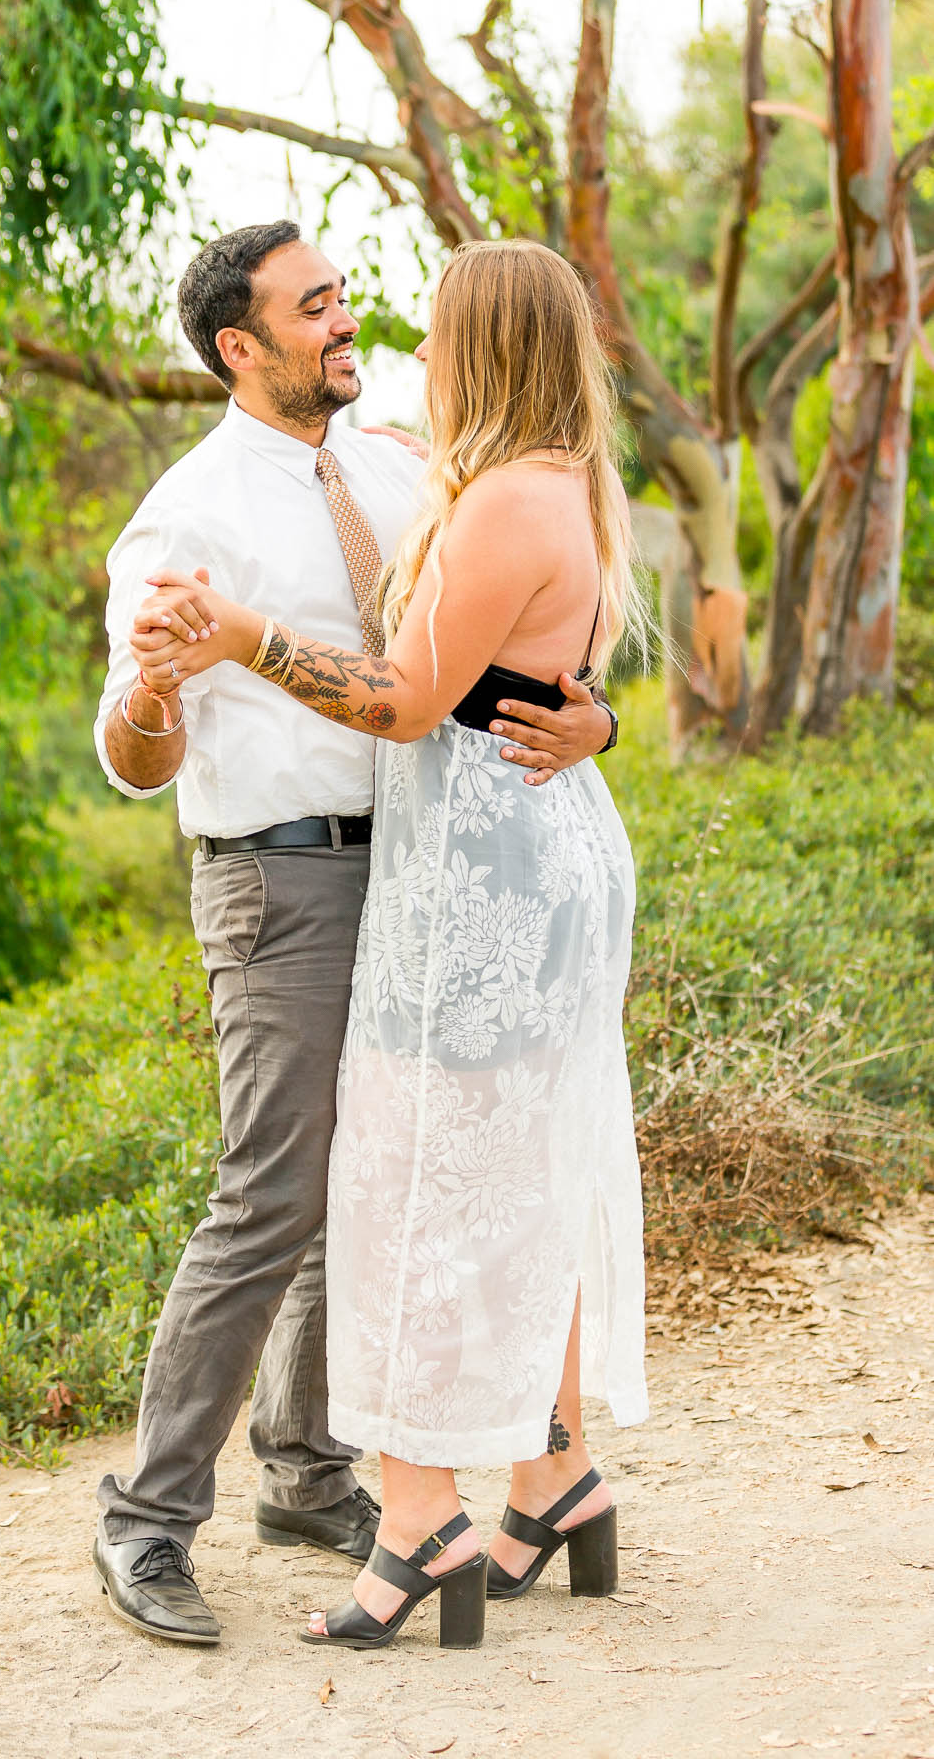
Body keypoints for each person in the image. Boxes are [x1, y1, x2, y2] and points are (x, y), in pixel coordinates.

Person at [91, 221, 618, 1647]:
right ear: (236, 349)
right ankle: (148, 1520)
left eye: (341, 297)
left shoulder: (401, 463)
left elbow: (517, 628)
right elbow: (133, 753)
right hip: (284, 875)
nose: (346, 323)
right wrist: (155, 692)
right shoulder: (188, 516)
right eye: (311, 309)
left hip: (439, 869)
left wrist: (597, 716)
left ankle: (314, 1470)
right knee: (273, 1191)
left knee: (383, 1179)